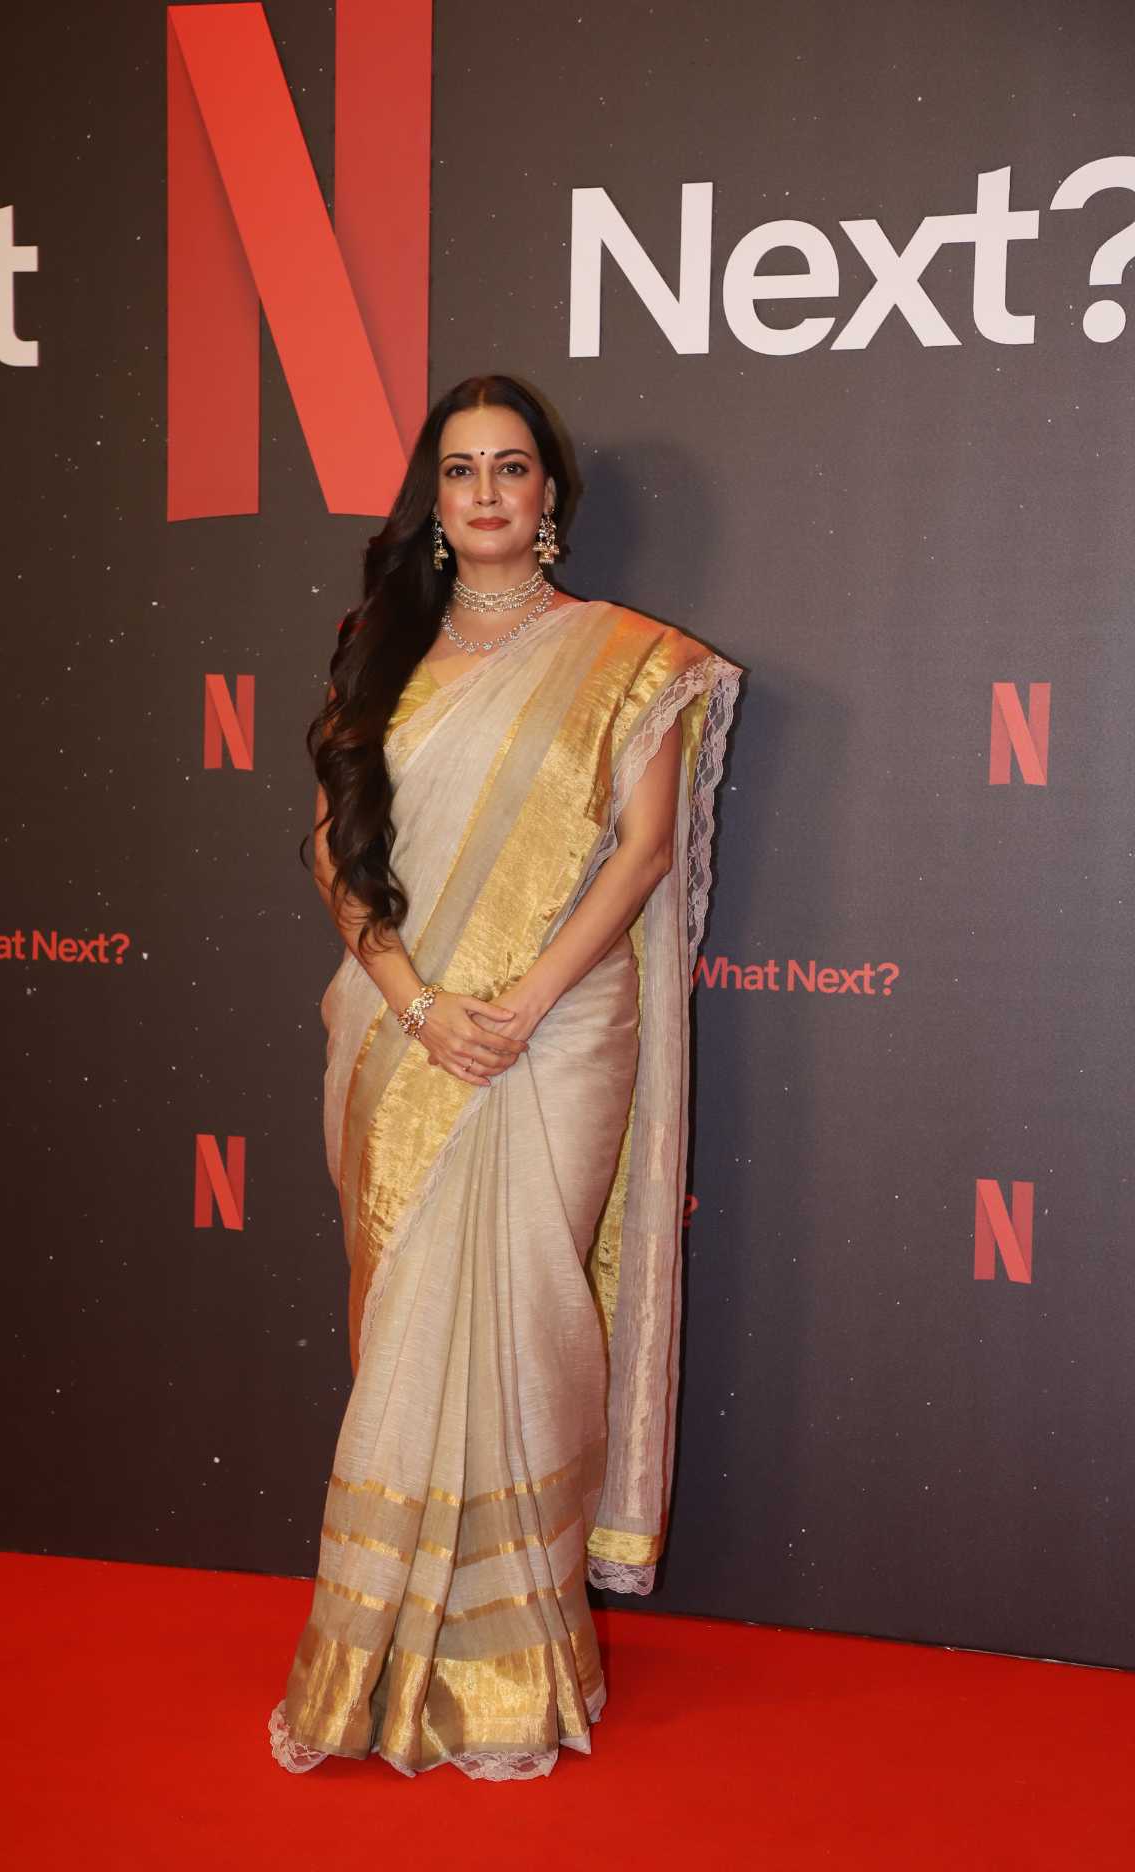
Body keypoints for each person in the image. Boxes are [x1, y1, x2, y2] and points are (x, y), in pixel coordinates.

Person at [269, 374, 743, 1781]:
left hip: (560, 1030)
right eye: (461, 469)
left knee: (530, 1317)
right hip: (403, 1032)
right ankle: (376, 1652)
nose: (486, 492)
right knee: (404, 1307)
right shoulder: (380, 654)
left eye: (512, 467)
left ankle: (511, 1662)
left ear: (550, 497)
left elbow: (643, 854)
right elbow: (333, 852)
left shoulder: (634, 660)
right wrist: (419, 1006)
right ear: (434, 500)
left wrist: (523, 1006)